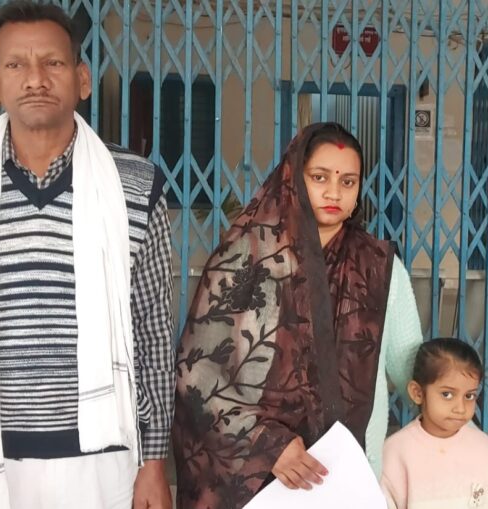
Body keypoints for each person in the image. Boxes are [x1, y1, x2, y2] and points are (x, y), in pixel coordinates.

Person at [0, 2, 174, 508]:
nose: (35, 79)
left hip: (100, 460)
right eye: (16, 64)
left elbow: (153, 331)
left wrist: (153, 463)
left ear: (82, 79)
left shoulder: (135, 185)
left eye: (53, 62)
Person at [172, 122, 423, 508]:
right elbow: (197, 374)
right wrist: (268, 445)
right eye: (319, 177)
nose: (334, 192)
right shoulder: (247, 259)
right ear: (292, 178)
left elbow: (412, 370)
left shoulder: (380, 267)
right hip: (260, 480)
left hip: (348, 477)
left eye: (348, 181)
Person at [381, 338, 488, 509]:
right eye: (447, 394)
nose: (460, 408)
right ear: (418, 393)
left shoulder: (485, 448)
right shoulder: (395, 452)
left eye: (469, 396)